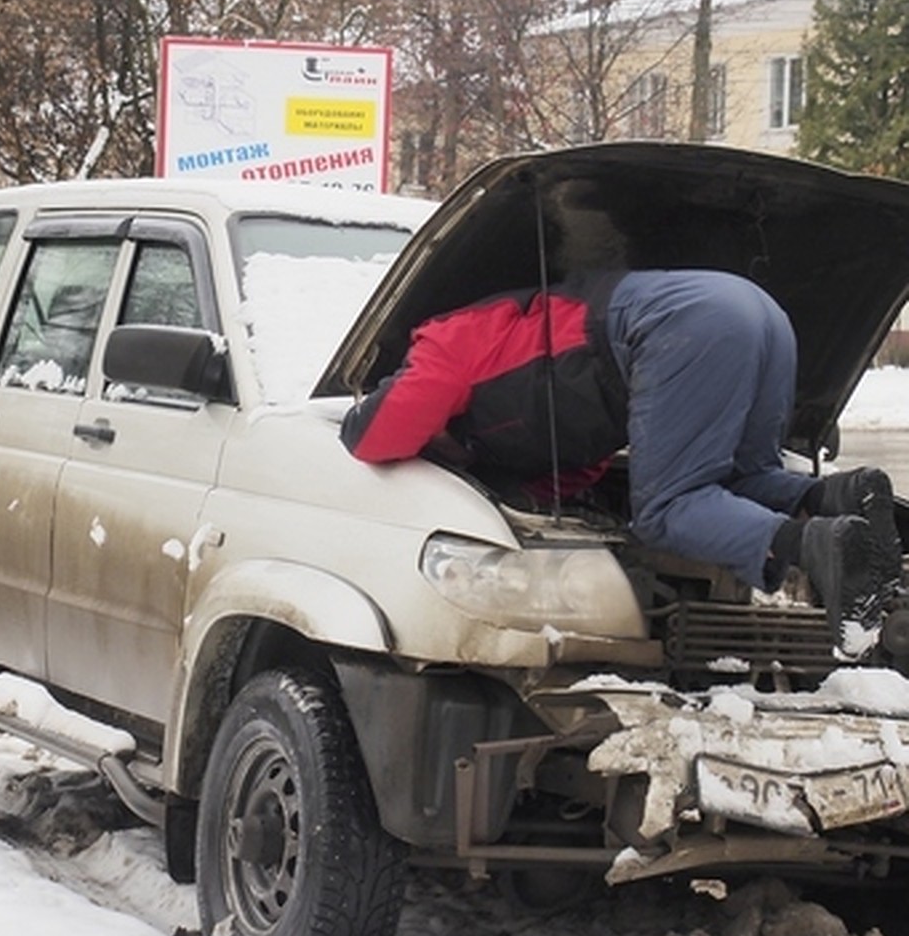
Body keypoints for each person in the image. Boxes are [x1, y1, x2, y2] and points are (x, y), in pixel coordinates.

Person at [340, 268, 902, 659]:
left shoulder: (443, 339)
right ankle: (846, 498)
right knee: (740, 479)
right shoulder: (522, 399)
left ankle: (820, 547)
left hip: (683, 324)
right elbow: (579, 474)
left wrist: (359, 416)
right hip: (757, 313)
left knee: (667, 511)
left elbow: (377, 434)